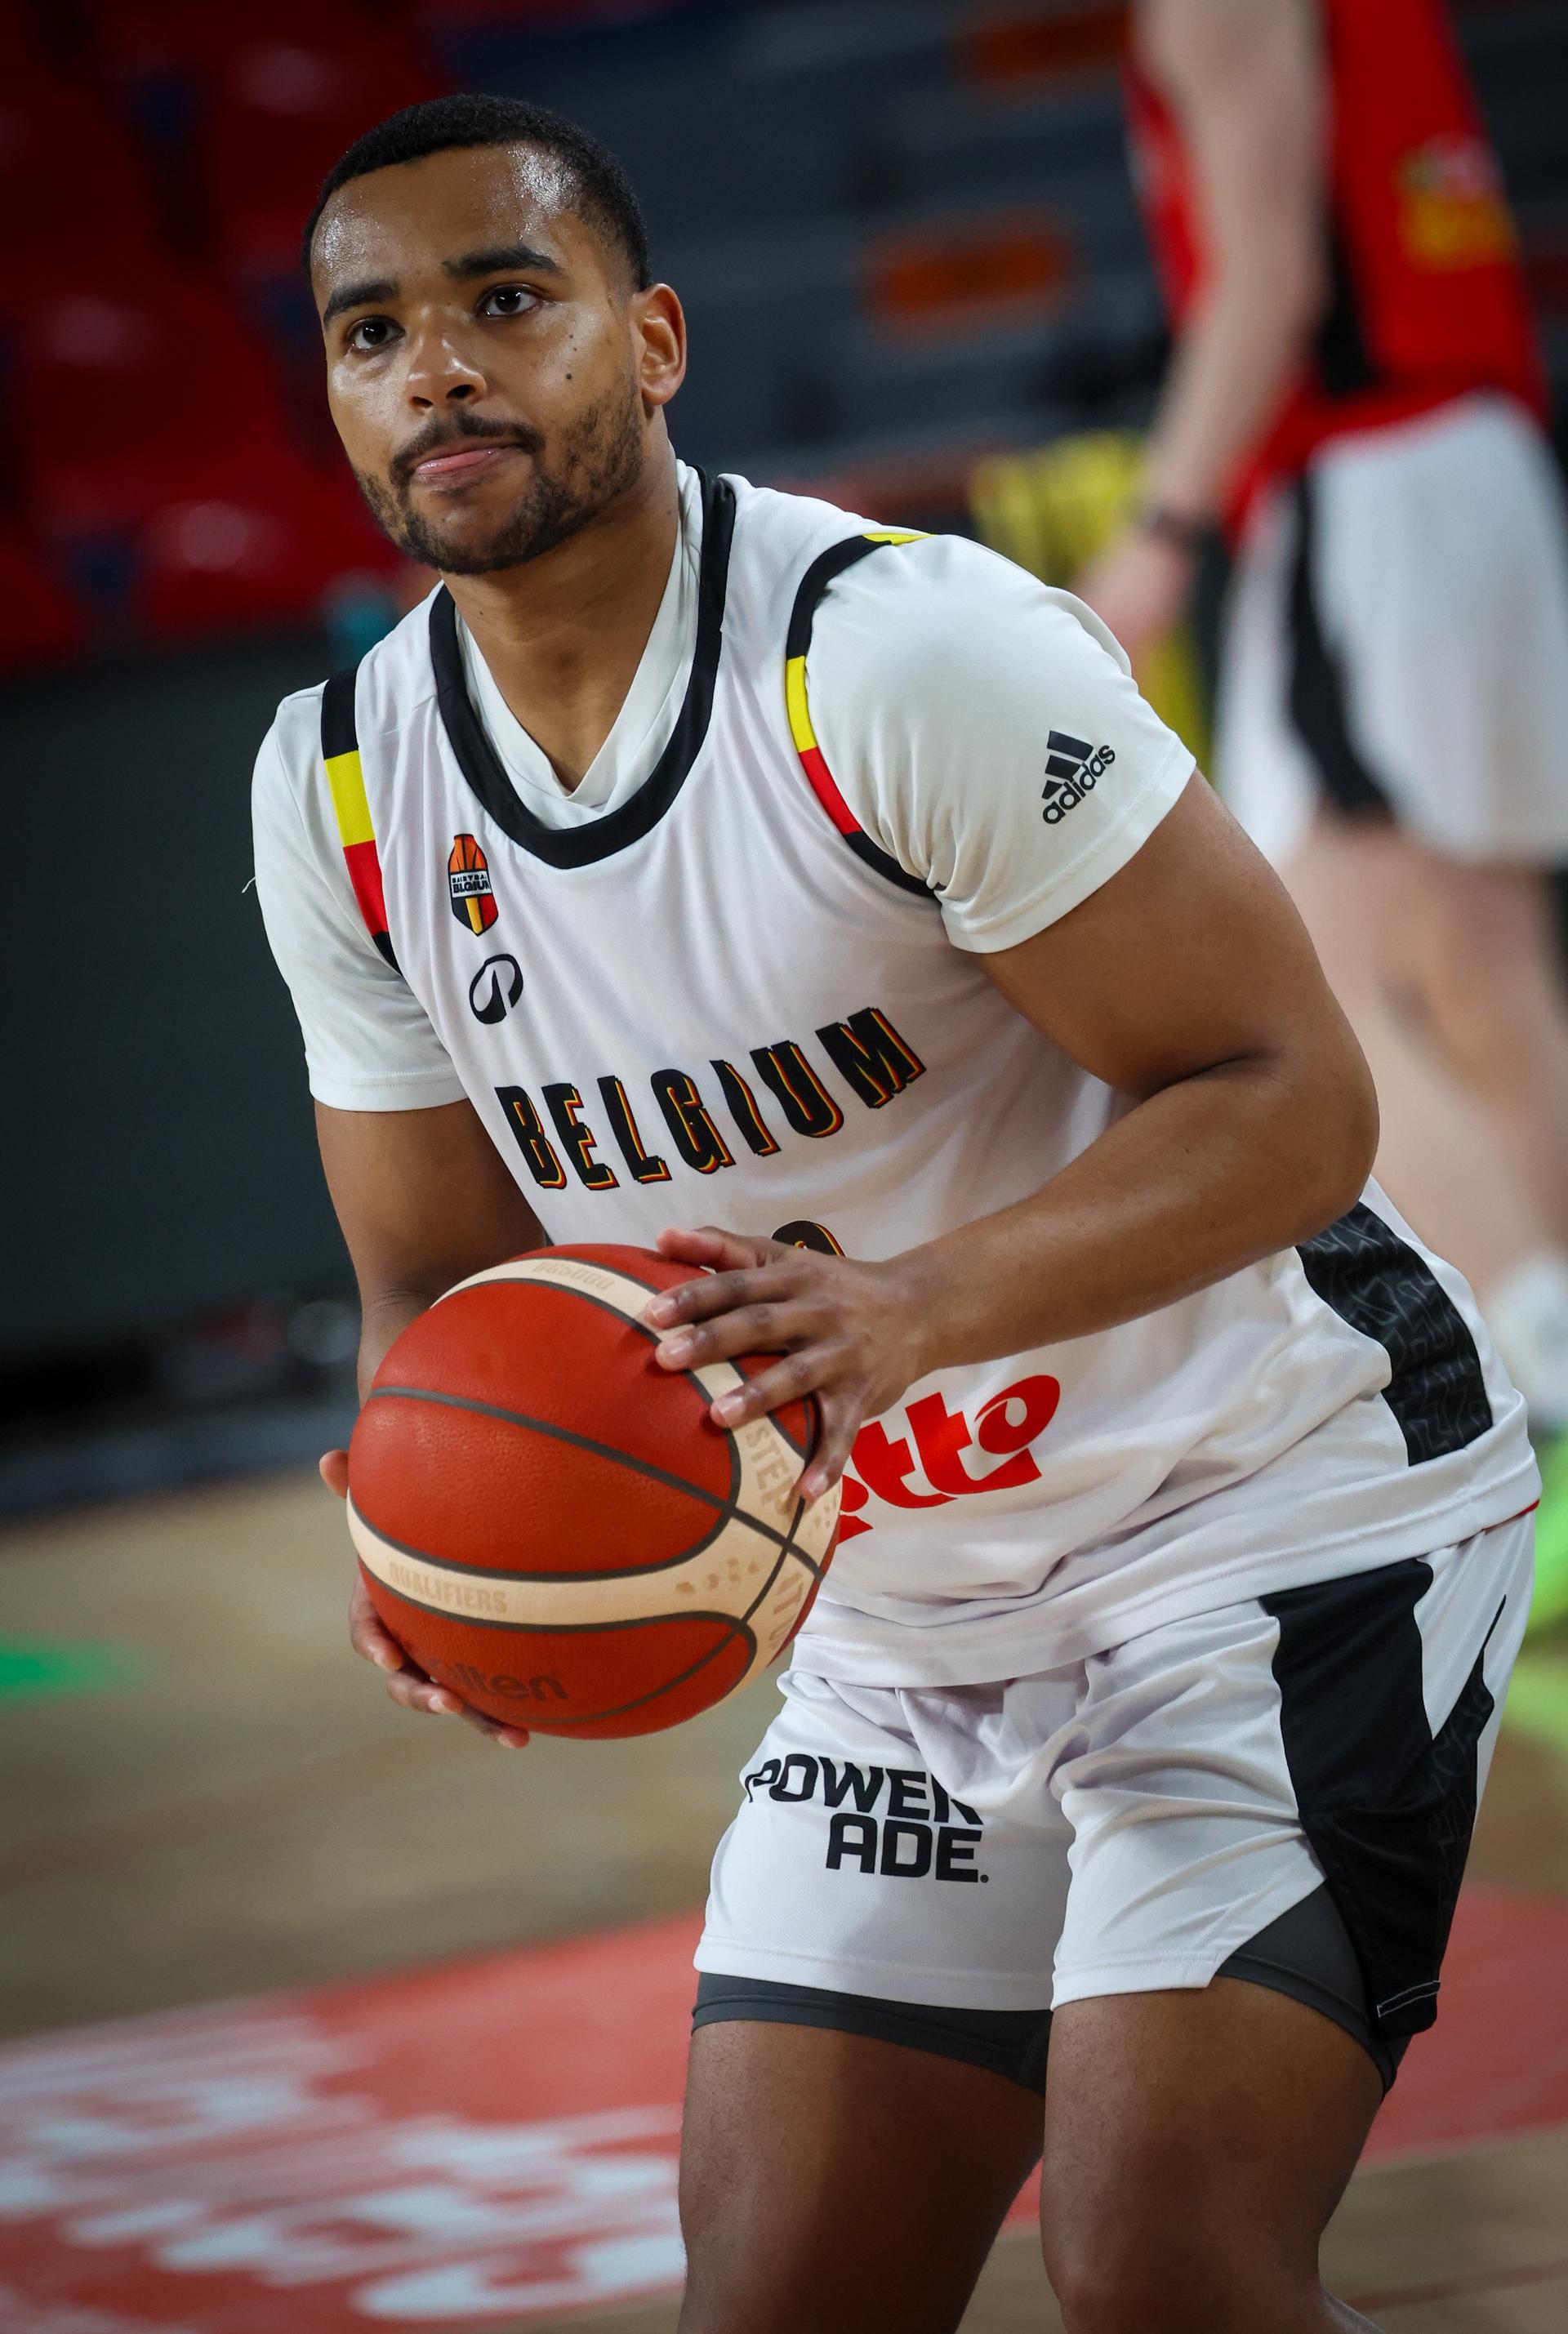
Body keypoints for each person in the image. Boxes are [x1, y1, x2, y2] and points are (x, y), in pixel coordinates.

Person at [253, 94, 1538, 2334]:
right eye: (374, 333)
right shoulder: (344, 785)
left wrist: (911, 1315)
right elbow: (431, 1281)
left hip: (1263, 1516)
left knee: (1161, 2269)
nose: (437, 369)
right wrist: (428, 1525)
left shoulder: (897, 658)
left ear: (651, 342)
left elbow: (1296, 1099)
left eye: (504, 301)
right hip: (897, 1619)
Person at [1077, 0, 1568, 1623]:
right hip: (1465, 461)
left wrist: (1155, 533)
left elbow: (1269, 281)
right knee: (1481, 976)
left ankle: (1538, 1441)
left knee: (1331, 993)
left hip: (1376, 487)